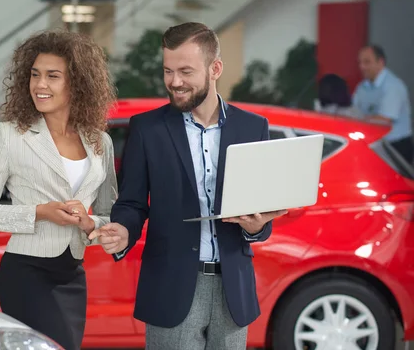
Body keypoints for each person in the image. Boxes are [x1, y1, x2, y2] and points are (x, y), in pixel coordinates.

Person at [89, 22, 286, 350]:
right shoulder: (147, 129)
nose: (175, 82)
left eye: (185, 71)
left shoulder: (253, 128)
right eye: (168, 71)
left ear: (215, 69)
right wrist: (124, 229)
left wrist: (256, 227)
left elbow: (261, 217)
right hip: (171, 286)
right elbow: (133, 202)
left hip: (232, 292)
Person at [0, 30, 117, 350]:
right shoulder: (10, 136)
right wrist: (40, 212)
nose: (40, 84)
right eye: (35, 75)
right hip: (26, 272)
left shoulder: (99, 142)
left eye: (52, 76)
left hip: (72, 273)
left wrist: (91, 224)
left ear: (77, 83)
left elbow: (109, 214)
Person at [352, 44, 413, 163]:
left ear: (380, 62)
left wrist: (358, 119)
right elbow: (353, 111)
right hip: (375, 146)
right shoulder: (362, 87)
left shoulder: (393, 86)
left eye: (367, 62)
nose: (362, 67)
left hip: (396, 147)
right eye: (360, 62)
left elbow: (384, 120)